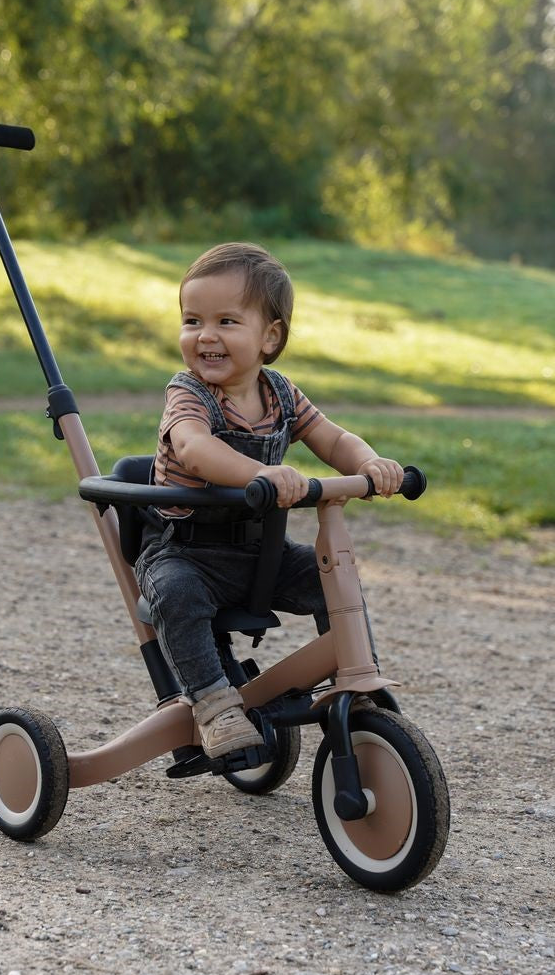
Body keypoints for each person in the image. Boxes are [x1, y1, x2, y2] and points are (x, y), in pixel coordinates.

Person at [135, 243, 403, 759]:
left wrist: (370, 464)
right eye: (192, 320)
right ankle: (214, 707)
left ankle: (355, 677)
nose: (205, 336)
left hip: (260, 553)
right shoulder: (188, 392)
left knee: (332, 578)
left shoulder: (280, 392)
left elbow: (332, 437)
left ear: (270, 337)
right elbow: (194, 445)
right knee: (177, 596)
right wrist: (263, 472)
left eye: (226, 322)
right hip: (185, 550)